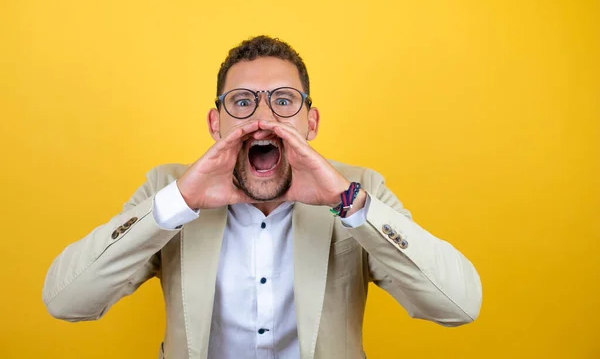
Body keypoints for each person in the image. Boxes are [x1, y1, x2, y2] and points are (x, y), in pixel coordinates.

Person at [43, 35, 482, 359]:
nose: (263, 119)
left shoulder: (356, 188)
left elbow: (458, 305)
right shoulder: (170, 189)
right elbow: (66, 302)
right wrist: (179, 203)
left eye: (284, 101)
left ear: (311, 123)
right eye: (242, 102)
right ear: (216, 124)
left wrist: (348, 204)